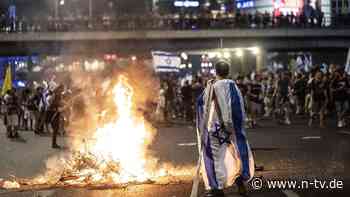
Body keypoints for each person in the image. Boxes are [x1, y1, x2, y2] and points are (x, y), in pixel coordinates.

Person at [196, 61, 254, 197]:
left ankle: (216, 188)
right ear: (228, 71)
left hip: (218, 126)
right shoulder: (234, 86)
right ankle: (239, 179)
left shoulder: (215, 86)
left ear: (216, 72)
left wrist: (208, 87)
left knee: (214, 156)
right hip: (235, 128)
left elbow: (204, 102)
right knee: (235, 153)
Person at [46, 85, 64, 149]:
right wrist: (55, 107)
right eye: (62, 89)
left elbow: (59, 103)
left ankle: (54, 143)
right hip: (53, 113)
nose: (62, 90)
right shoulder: (55, 94)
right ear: (59, 89)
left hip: (56, 112)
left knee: (56, 129)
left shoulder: (58, 95)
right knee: (55, 129)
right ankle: (53, 144)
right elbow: (50, 101)